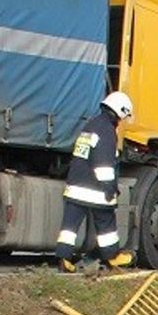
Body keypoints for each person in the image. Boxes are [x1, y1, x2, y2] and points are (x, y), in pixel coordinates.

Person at [57, 91, 135, 272]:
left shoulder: (91, 125)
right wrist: (110, 188)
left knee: (69, 226)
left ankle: (64, 259)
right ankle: (112, 257)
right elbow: (104, 163)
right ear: (120, 111)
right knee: (106, 224)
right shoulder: (107, 131)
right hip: (95, 190)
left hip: (75, 187)